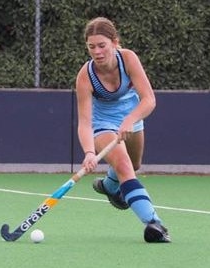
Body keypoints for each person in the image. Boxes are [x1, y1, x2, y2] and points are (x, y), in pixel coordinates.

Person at [75, 17, 171, 243]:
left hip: (132, 117)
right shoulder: (85, 77)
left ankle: (109, 186)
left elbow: (149, 99)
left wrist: (130, 119)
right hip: (103, 124)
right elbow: (85, 122)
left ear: (114, 42)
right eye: (91, 47)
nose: (97, 52)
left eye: (102, 45)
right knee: (125, 165)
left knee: (135, 164)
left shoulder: (128, 59)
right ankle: (154, 223)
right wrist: (89, 152)